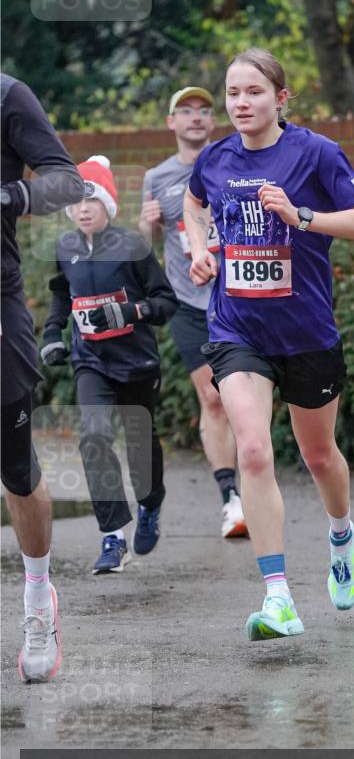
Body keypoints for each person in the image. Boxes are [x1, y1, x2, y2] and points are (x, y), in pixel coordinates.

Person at [184, 47, 354, 642]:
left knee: (320, 457)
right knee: (253, 452)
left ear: (281, 98)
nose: (241, 103)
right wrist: (198, 249)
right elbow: (193, 204)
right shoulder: (214, 159)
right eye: (233, 93)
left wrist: (301, 216)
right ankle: (278, 599)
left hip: (307, 334)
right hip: (238, 331)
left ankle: (341, 538)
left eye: (254, 93)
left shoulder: (315, 153)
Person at [40, 156, 178, 573]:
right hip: (91, 363)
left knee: (141, 450)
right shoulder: (65, 249)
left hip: (137, 363)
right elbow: (62, 296)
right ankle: (113, 537)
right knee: (94, 436)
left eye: (92, 200)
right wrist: (51, 335)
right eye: (76, 203)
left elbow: (165, 303)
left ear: (108, 205)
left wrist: (131, 312)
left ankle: (150, 503)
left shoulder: (133, 247)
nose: (83, 209)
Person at [1, 73, 85, 682]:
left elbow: (67, 180)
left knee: (15, 468)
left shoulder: (7, 95)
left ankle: (38, 601)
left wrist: (13, 197)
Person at [139, 86, 247, 539]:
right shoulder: (157, 177)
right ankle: (231, 499)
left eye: (204, 110)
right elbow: (142, 254)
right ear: (171, 122)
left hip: (237, 296)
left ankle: (256, 476)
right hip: (188, 303)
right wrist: (146, 227)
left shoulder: (232, 162)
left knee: (243, 398)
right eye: (186, 111)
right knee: (214, 397)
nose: (197, 118)